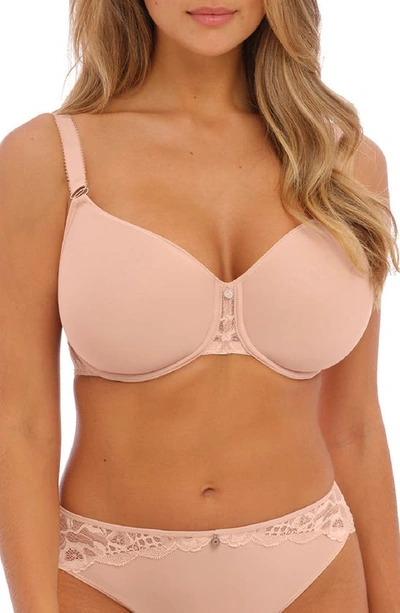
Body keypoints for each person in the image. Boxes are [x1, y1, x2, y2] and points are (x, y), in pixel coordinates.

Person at [1, 1, 400, 611]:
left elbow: (357, 427)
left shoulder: (347, 165)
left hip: (315, 571)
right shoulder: (46, 158)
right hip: (104, 577)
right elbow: (22, 421)